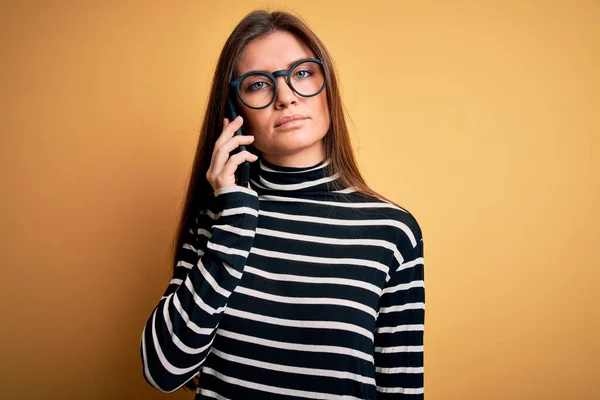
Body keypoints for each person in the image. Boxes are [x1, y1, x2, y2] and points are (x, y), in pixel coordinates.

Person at [140, 9, 425, 399]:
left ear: (328, 86)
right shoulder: (220, 220)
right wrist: (234, 217)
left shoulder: (393, 232)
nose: (287, 96)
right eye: (258, 84)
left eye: (303, 73)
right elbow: (163, 371)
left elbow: (403, 389)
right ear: (234, 112)